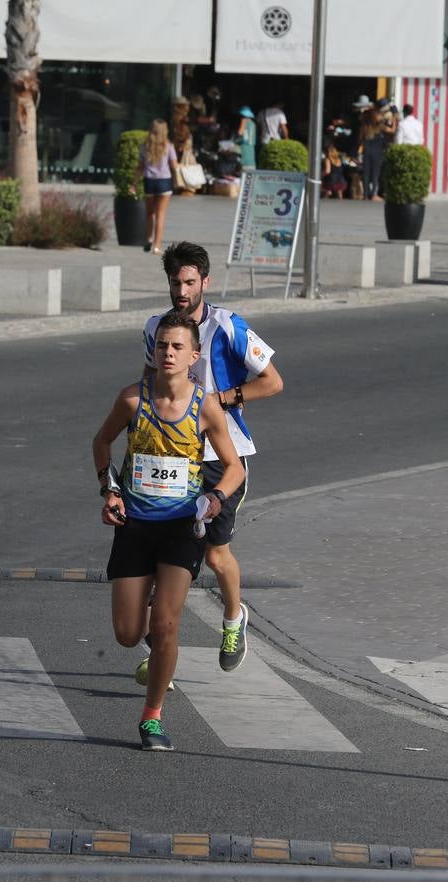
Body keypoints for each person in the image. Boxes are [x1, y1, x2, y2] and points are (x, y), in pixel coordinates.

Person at [92, 310, 246, 752]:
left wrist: (215, 499)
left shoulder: (206, 406)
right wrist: (109, 491)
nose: (168, 354)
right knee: (127, 632)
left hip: (182, 526)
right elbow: (101, 442)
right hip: (136, 526)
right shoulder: (131, 400)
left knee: (166, 625)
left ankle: (152, 717)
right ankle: (152, 625)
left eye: (178, 347)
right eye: (162, 346)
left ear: (194, 355)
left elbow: (233, 467)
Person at [137, 242, 284, 686]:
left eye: (189, 282)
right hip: (171, 457)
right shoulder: (155, 329)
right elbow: (150, 382)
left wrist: (219, 400)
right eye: (174, 282)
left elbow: (273, 382)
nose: (181, 291)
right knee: (165, 554)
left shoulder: (228, 326)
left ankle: (234, 619)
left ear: (205, 282)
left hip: (222, 457)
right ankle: (157, 650)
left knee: (216, 553)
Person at [135, 119, 178, 255]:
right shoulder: (168, 146)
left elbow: (140, 167)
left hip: (149, 181)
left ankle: (148, 238)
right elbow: (174, 165)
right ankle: (157, 246)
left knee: (149, 213)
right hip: (164, 181)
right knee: (161, 215)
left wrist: (134, 183)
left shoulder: (144, 146)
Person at [357, 106, 387, 201]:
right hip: (377, 152)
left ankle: (365, 195)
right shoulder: (379, 127)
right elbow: (392, 130)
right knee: (375, 174)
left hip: (367, 152)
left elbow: (360, 140)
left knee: (366, 173)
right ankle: (374, 194)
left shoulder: (364, 126)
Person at [234, 105, 257, 171]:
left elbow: (240, 132)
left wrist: (234, 140)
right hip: (251, 149)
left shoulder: (244, 120)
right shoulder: (253, 123)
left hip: (244, 148)